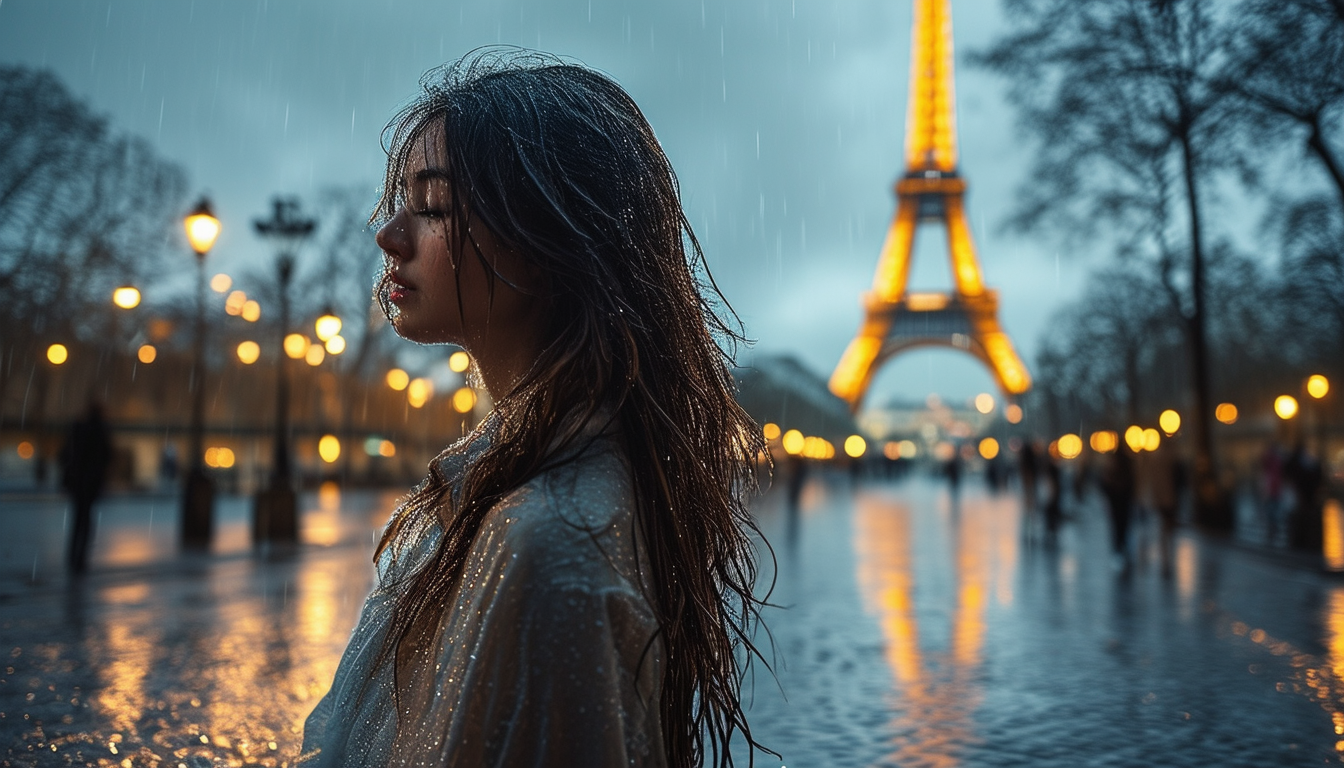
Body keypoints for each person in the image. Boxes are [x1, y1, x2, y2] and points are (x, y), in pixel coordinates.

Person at [301, 51, 770, 768]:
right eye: (401, 203)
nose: (389, 236)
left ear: (548, 243)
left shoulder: (547, 538)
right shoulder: (559, 502)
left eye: (431, 208)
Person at [59, 400, 113, 572]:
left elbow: (66, 454)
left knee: (78, 520)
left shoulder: (79, 428)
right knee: (86, 521)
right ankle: (80, 559)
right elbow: (106, 456)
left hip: (78, 482)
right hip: (89, 483)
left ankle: (73, 556)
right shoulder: (99, 431)